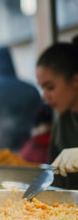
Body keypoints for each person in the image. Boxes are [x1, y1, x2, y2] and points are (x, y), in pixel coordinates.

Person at [36, 38, 78, 189]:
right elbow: (54, 176)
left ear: (75, 80)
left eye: (50, 87)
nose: (44, 96)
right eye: (42, 88)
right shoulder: (60, 118)